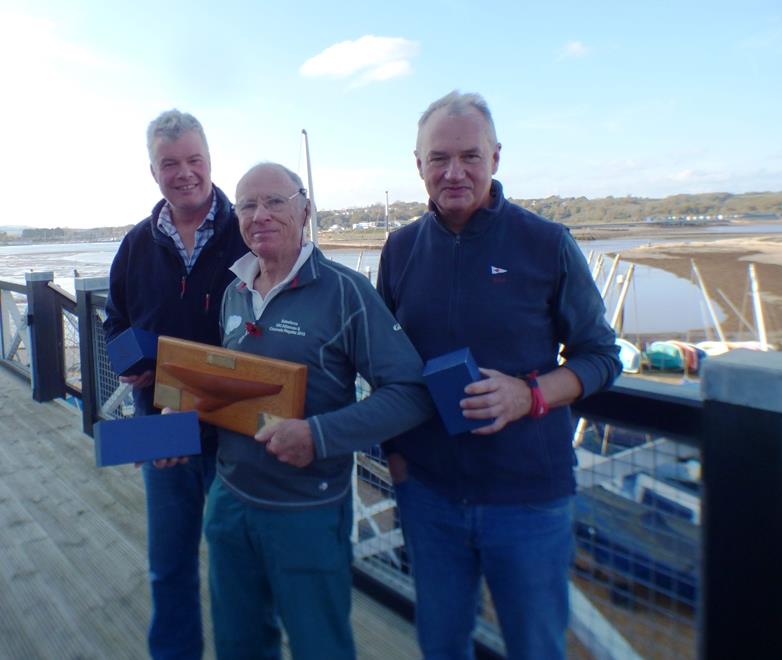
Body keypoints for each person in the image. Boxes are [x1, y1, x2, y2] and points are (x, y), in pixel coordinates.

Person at [377, 91, 622, 660]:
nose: (454, 171)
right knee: (441, 645)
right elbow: (383, 362)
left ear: (496, 158)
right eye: (439, 158)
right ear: (418, 166)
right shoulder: (400, 249)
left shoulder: (546, 244)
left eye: (470, 156)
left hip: (528, 500)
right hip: (430, 496)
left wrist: (529, 395)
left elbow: (601, 357)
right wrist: (395, 457)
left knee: (535, 648)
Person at [204, 162, 432, 660]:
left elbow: (410, 392)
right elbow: (223, 393)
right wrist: (168, 431)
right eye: (247, 205)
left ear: (305, 209)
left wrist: (319, 435)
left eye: (274, 202)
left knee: (319, 647)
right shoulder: (233, 292)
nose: (259, 214)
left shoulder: (346, 292)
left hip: (306, 511)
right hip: (230, 499)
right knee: (237, 644)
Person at [104, 109, 247, 659]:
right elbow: (114, 319)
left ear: (210, 161)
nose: (185, 173)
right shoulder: (136, 245)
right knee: (168, 568)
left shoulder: (247, 232)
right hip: (161, 435)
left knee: (239, 568)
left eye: (194, 160)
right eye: (171, 164)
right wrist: (125, 359)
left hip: (236, 432)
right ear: (153, 172)